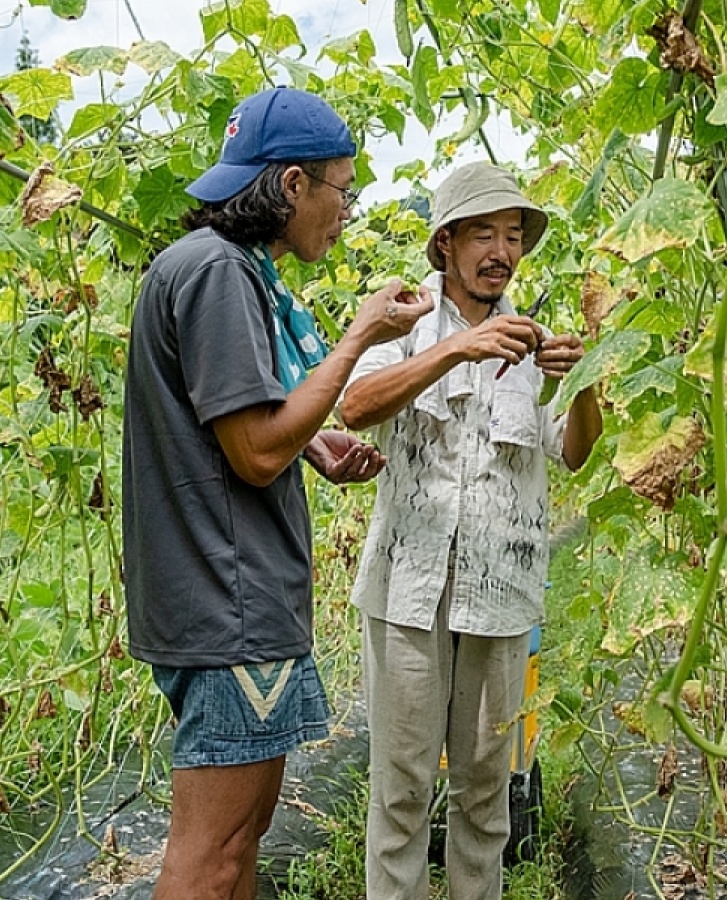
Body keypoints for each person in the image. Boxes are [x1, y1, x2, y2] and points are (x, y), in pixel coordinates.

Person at [120, 86, 432, 900]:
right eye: (342, 190)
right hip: (231, 604)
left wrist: (314, 442)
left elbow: (241, 432)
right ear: (292, 185)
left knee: (242, 838)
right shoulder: (222, 275)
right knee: (214, 852)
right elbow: (256, 452)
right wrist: (361, 334)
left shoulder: (216, 268)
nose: (346, 211)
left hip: (223, 598)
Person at [338, 162, 603, 900]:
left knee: (486, 798)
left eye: (513, 236)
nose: (501, 251)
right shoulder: (405, 324)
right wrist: (452, 350)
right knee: (401, 793)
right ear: (445, 244)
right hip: (407, 593)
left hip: (502, 597)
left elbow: (575, 451)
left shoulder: (535, 344)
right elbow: (355, 406)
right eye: (483, 233)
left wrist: (582, 383)